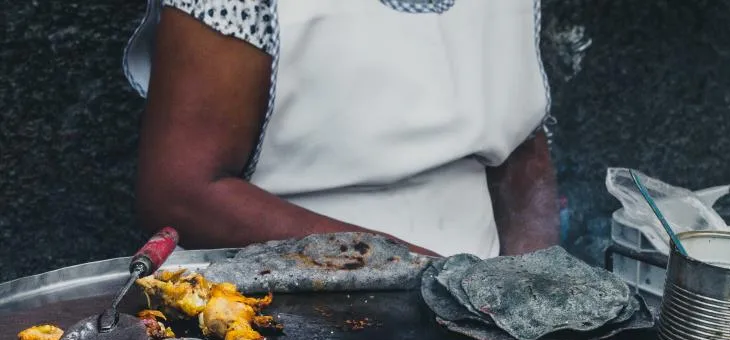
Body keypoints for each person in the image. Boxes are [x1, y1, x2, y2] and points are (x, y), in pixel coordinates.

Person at [124, 0, 560, 258]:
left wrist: (529, 302)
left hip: (473, 306)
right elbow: (181, 193)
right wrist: (411, 272)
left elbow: (521, 144)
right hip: (285, 315)